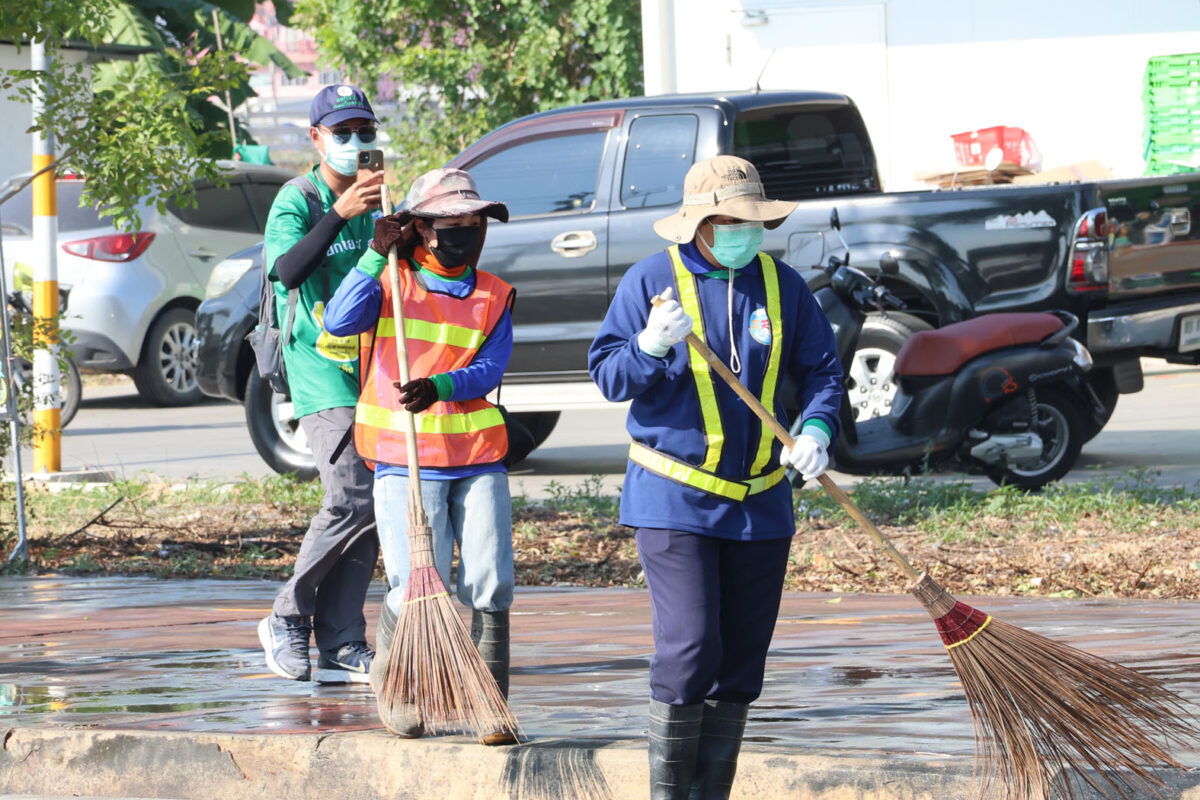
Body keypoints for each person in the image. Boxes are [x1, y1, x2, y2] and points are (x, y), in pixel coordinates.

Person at [588, 155, 844, 799]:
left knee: (741, 663)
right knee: (691, 648)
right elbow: (609, 376)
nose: (744, 232)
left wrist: (816, 430)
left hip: (760, 504)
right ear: (700, 223)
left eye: (753, 221)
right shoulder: (652, 281)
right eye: (731, 221)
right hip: (674, 496)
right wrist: (649, 345)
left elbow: (823, 373)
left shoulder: (783, 287)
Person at [322, 167, 517, 745]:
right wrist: (371, 256)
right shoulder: (390, 280)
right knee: (413, 584)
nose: (464, 233)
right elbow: (338, 321)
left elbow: (492, 367)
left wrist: (442, 386)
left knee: (490, 581)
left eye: (473, 223)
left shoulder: (494, 294)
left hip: (477, 454)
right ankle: (399, 689)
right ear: (422, 230)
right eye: (451, 223)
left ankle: (490, 705)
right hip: (406, 459)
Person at [256, 84, 383, 684]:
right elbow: (286, 270)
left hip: (373, 366)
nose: (356, 143)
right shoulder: (298, 199)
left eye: (365, 131)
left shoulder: (379, 199)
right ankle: (287, 615)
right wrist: (341, 214)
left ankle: (341, 640)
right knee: (351, 492)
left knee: (374, 502)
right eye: (343, 132)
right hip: (318, 366)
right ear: (317, 138)